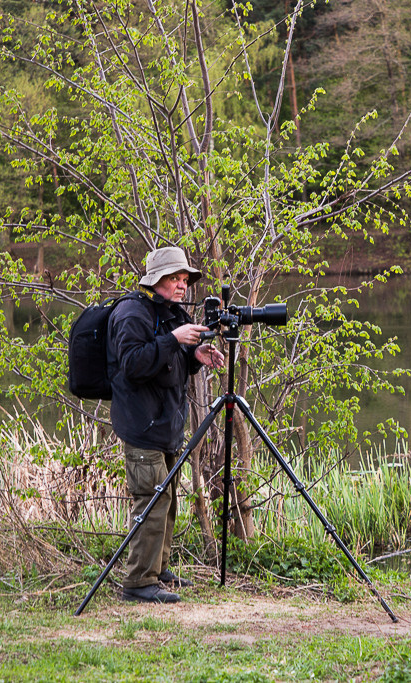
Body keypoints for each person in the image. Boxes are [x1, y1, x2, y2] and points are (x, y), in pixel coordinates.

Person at [107, 246, 225, 604]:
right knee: (151, 501)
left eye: (185, 280)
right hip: (142, 426)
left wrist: (195, 356)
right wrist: (174, 339)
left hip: (166, 427)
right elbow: (132, 364)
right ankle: (139, 582)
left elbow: (171, 361)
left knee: (168, 499)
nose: (182, 286)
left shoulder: (170, 314)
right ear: (155, 280)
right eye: (175, 279)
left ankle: (158, 570)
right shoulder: (131, 313)